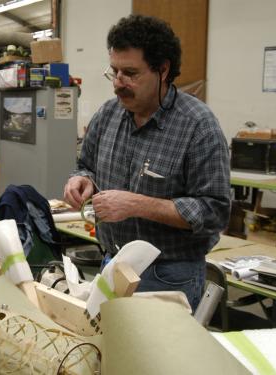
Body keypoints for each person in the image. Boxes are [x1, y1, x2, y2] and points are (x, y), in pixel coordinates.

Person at [63, 15, 230, 311]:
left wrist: (137, 205)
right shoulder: (108, 115)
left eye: (130, 73)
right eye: (113, 71)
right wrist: (82, 179)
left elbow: (214, 211)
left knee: (154, 357)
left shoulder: (198, 126)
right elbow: (85, 164)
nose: (118, 83)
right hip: (112, 263)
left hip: (168, 275)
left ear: (163, 70)